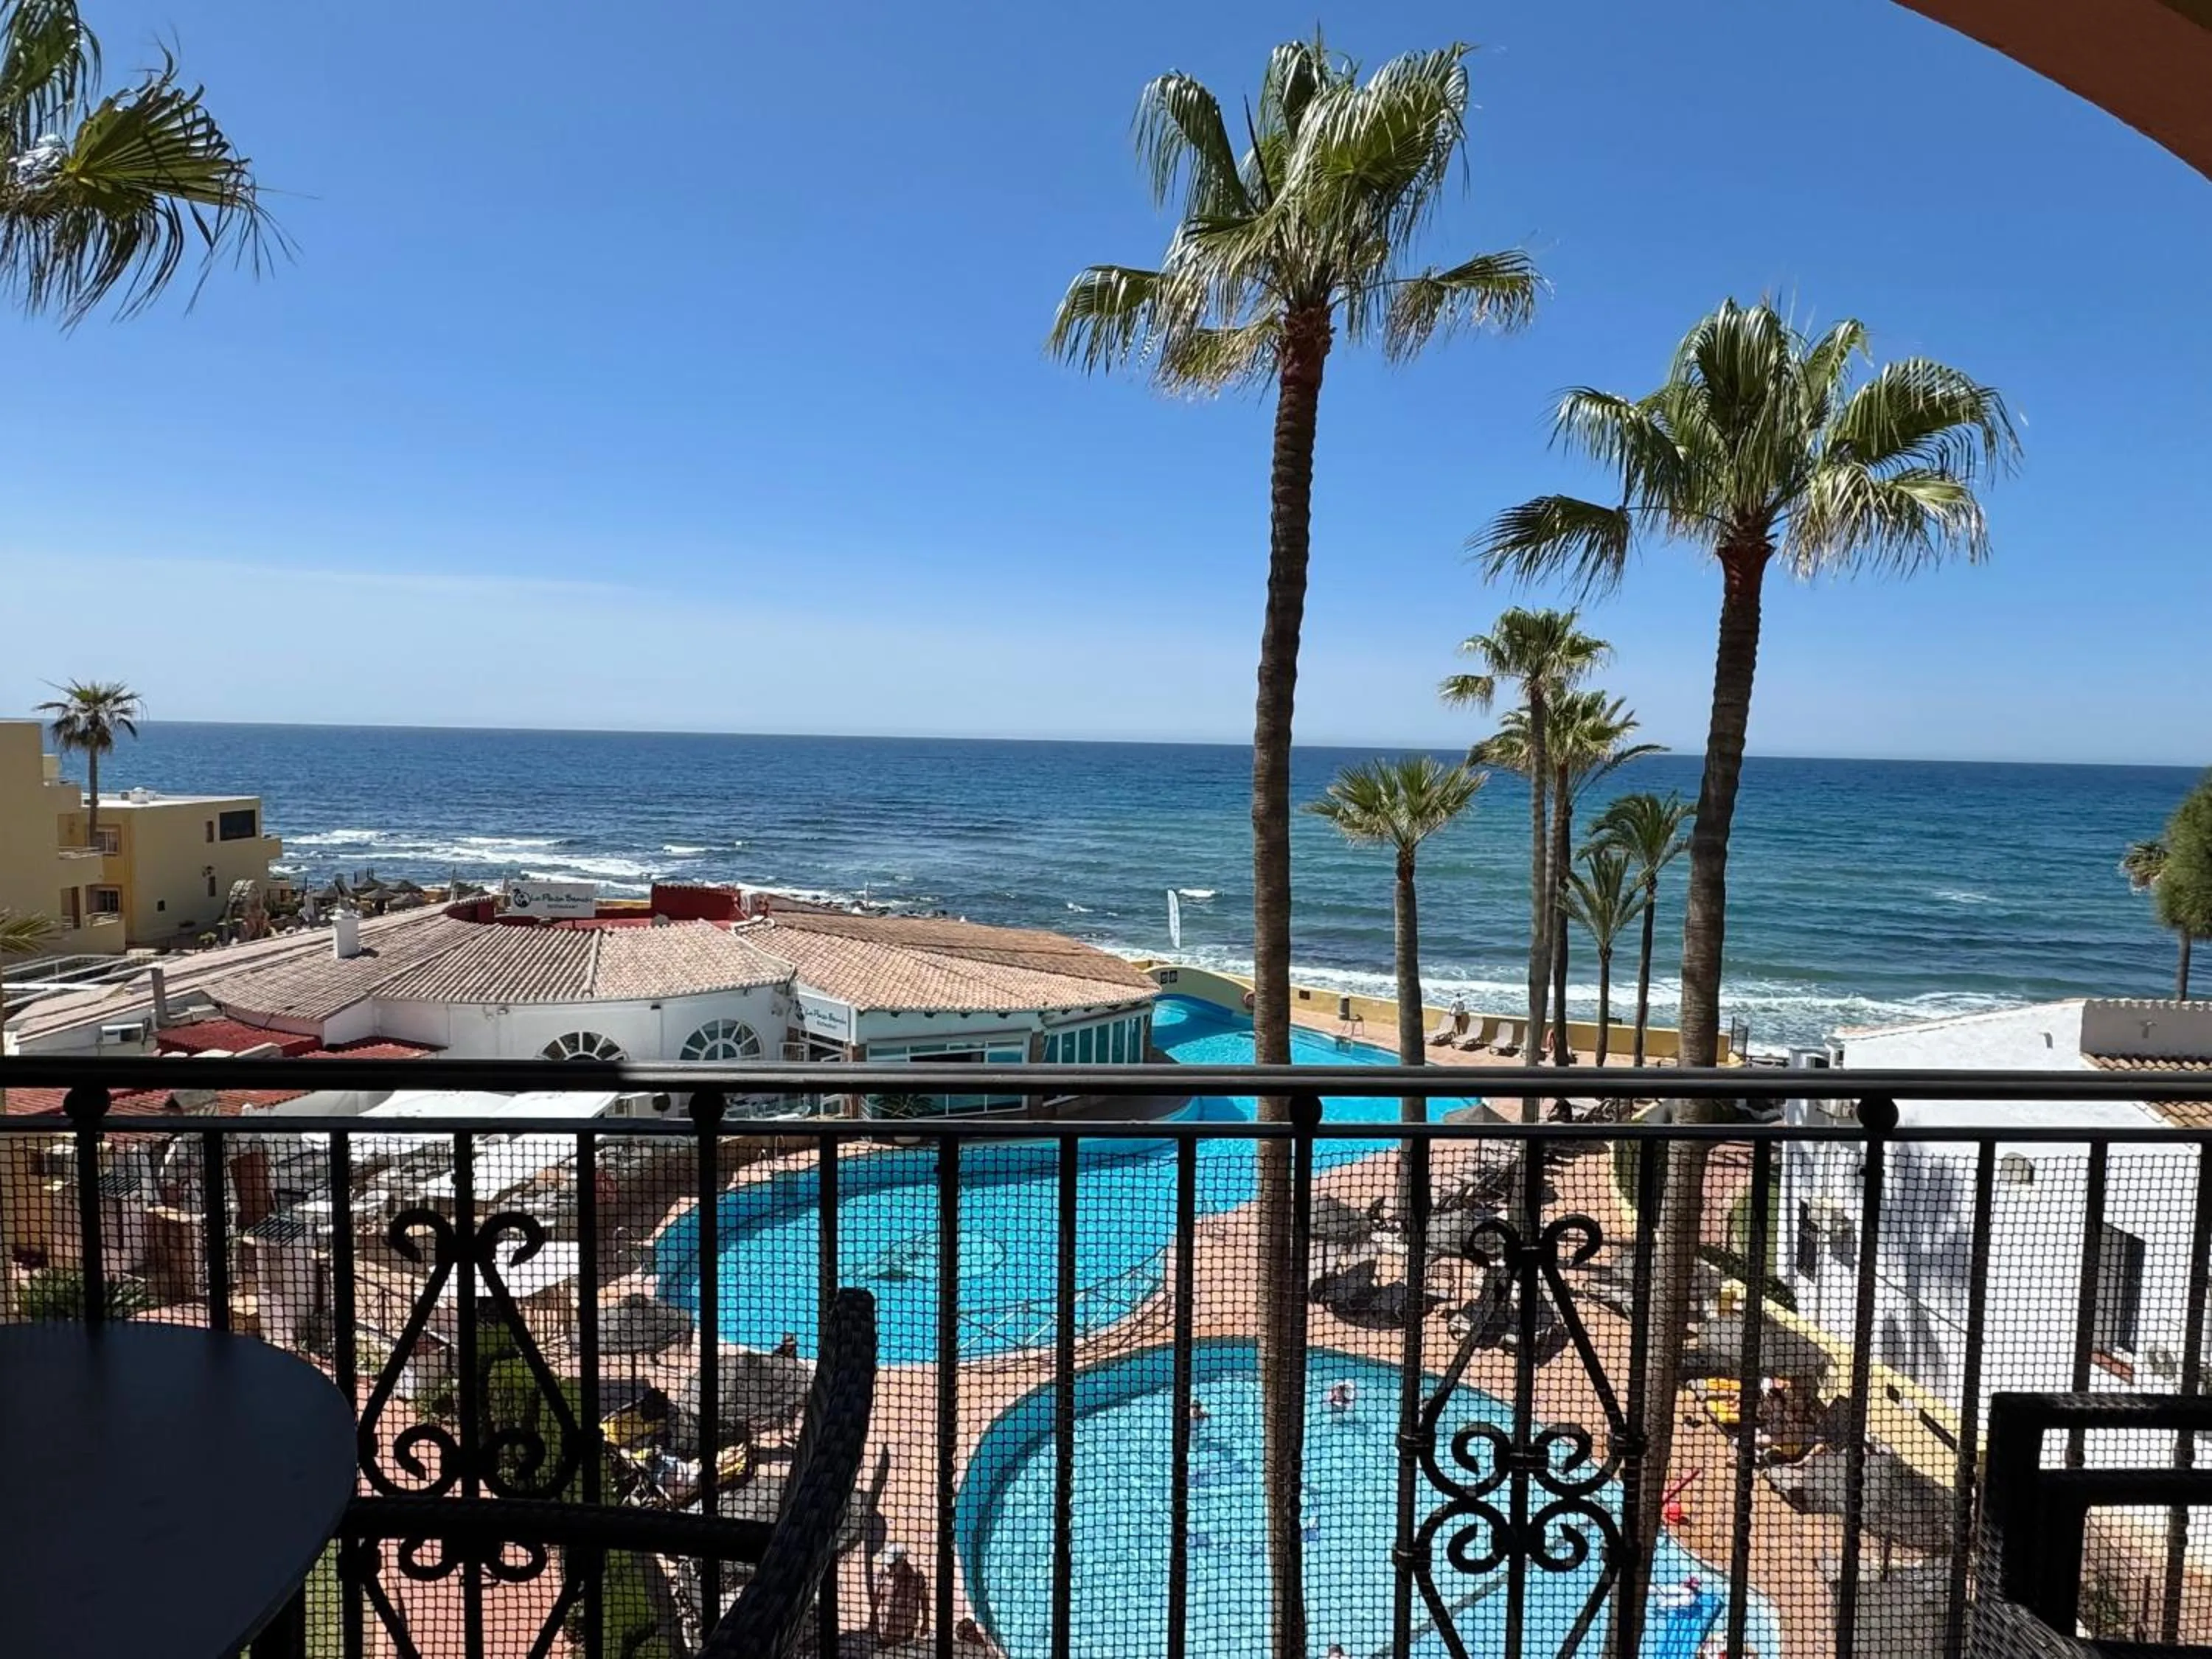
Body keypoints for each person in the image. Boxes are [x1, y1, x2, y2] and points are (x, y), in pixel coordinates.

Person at [873, 1544, 929, 1646]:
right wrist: (873, 1616)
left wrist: (926, 1622)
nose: (889, 1568)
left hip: (906, 1634)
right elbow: (877, 1598)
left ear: (901, 1561)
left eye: (892, 1565)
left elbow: (924, 1599)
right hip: (885, 1633)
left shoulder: (916, 1576)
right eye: (888, 1565)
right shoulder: (883, 1574)